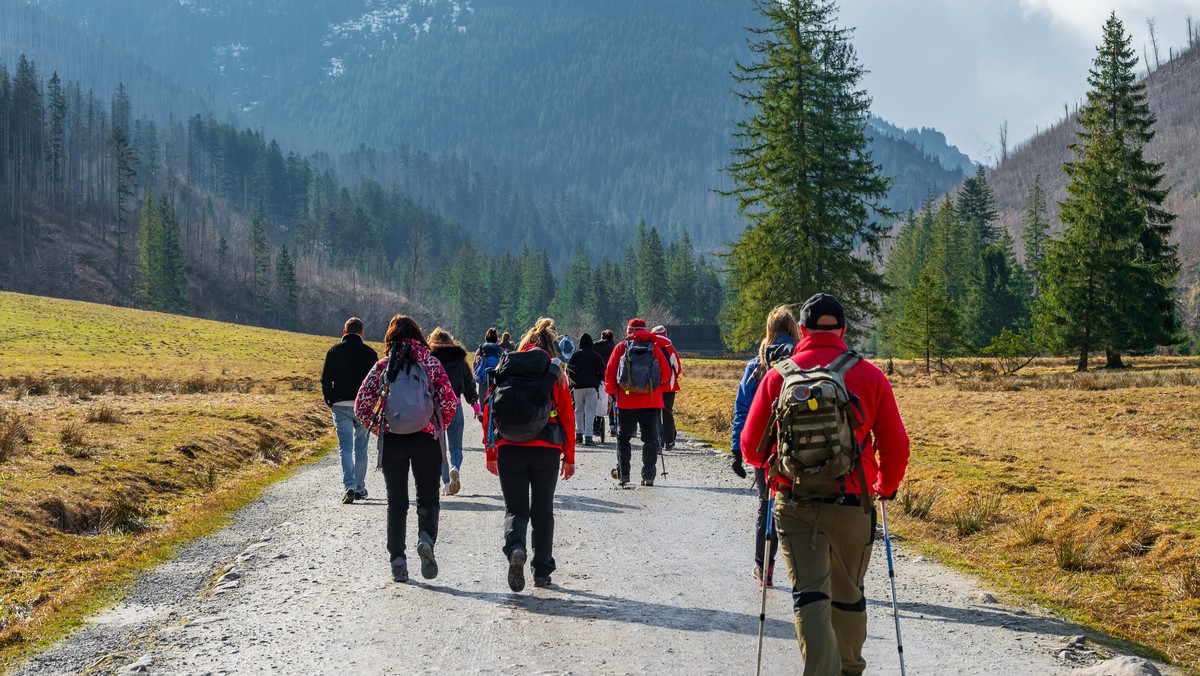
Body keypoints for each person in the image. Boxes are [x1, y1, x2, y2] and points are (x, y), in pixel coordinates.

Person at [741, 294, 910, 676]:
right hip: (854, 501)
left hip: (796, 502)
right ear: (844, 330)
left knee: (810, 595)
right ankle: (849, 669)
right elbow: (897, 446)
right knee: (848, 594)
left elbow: (752, 448)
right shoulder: (869, 376)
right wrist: (885, 484)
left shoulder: (779, 376)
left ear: (802, 330)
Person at [355, 315, 458, 583]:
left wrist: (382, 428)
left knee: (396, 503)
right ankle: (425, 539)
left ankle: (398, 562)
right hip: (426, 440)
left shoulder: (382, 367)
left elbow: (361, 406)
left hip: (393, 441)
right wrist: (436, 426)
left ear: (390, 337)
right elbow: (449, 402)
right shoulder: (431, 364)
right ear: (418, 336)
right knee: (428, 499)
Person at [483, 317, 576, 591]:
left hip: (509, 447)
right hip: (546, 450)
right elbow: (568, 417)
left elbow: (490, 409)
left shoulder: (506, 367)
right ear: (551, 345)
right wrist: (569, 456)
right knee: (543, 510)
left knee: (515, 508)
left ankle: (516, 548)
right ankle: (542, 571)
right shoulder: (554, 370)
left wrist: (490, 449)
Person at [730, 305, 801, 587]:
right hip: (800, 445)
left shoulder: (756, 364)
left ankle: (764, 568)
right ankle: (803, 571)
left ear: (769, 330)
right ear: (794, 329)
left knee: (766, 506)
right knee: (801, 509)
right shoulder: (804, 360)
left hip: (765, 449)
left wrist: (737, 448)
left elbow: (742, 409)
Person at [604, 318, 672, 487]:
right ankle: (648, 476)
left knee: (623, 439)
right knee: (650, 439)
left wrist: (612, 393)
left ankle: (624, 474)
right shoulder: (654, 348)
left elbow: (610, 374)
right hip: (651, 401)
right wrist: (653, 387)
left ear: (628, 331)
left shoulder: (621, 348)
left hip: (626, 402)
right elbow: (665, 376)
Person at [320, 317, 379, 505]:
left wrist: (330, 400)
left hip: (340, 405)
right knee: (361, 448)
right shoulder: (370, 354)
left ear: (344, 332)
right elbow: (376, 381)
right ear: (362, 333)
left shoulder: (334, 351)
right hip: (363, 406)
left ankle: (350, 487)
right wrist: (373, 402)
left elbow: (325, 379)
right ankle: (361, 487)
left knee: (345, 447)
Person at [429, 327, 481, 496]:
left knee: (440, 448)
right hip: (455, 405)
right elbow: (469, 383)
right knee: (456, 446)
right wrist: (475, 405)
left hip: (435, 408)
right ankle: (455, 468)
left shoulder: (430, 358)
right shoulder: (460, 359)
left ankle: (445, 484)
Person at [567, 332, 605, 446]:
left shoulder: (575, 355)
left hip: (578, 386)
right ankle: (589, 436)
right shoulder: (596, 356)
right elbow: (603, 372)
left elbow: (569, 370)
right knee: (590, 411)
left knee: (578, 410)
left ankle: (579, 435)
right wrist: (597, 380)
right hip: (592, 386)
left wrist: (572, 382)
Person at [651, 325, 682, 451]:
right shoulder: (670, 348)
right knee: (668, 412)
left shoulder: (650, 347)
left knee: (655, 414)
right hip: (669, 386)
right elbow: (678, 369)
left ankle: (658, 440)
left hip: (653, 386)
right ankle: (669, 441)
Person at [592, 329, 619, 435]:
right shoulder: (616, 347)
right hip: (613, 377)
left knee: (597, 400)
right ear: (612, 337)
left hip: (598, 378)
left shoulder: (594, 347)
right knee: (613, 401)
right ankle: (613, 425)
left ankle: (596, 426)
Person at [474, 327, 505, 404]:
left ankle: (482, 412)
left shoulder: (482, 347)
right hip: (496, 377)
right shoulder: (499, 349)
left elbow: (475, 362)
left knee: (483, 398)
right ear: (495, 338)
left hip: (484, 378)